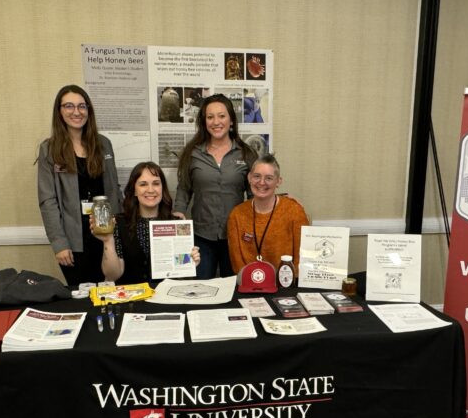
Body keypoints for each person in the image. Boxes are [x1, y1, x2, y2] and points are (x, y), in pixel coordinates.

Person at [37, 84, 122, 286]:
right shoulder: (49, 149)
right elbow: (47, 199)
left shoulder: (103, 144)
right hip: (73, 239)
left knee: (111, 290)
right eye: (69, 106)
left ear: (88, 111)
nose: (76, 112)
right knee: (83, 296)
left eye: (82, 106)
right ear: (59, 111)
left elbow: (113, 189)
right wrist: (59, 243)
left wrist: (118, 234)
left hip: (105, 233)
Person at [174, 94, 258, 279]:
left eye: (221, 116)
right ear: (204, 122)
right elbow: (184, 188)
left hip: (236, 235)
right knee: (200, 289)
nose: (216, 122)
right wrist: (178, 211)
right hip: (202, 236)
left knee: (236, 287)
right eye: (210, 117)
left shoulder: (246, 153)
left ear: (231, 120)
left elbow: (254, 195)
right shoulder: (193, 153)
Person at [90, 161, 200, 284]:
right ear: (135, 191)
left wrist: (189, 263)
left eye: (156, 184)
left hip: (165, 298)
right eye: (143, 184)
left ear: (162, 188)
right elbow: (112, 275)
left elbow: (181, 275)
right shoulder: (118, 223)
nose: (150, 189)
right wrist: (108, 241)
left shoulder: (177, 223)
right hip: (132, 299)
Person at [227, 154, 309, 274]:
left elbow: (301, 257)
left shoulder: (294, 211)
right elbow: (237, 262)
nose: (261, 182)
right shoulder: (236, 215)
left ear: (278, 181)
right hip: (249, 285)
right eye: (257, 176)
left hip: (285, 285)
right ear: (249, 177)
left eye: (269, 178)